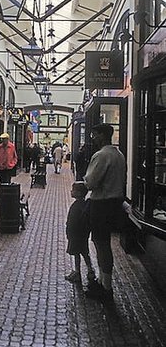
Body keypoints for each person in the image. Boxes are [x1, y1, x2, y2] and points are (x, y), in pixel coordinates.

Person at [84, 123, 126, 301]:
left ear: (102, 135)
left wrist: (85, 181)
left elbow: (91, 182)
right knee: (103, 243)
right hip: (115, 203)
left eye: (94, 135)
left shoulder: (101, 155)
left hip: (101, 204)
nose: (92, 138)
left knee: (101, 244)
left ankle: (106, 287)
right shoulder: (118, 154)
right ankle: (102, 282)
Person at [65, 181, 95, 283]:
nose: (71, 191)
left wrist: (69, 232)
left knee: (76, 253)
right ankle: (90, 270)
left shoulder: (75, 206)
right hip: (82, 234)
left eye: (73, 190)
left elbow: (72, 221)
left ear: (78, 193)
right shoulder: (84, 205)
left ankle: (77, 272)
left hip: (75, 234)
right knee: (85, 252)